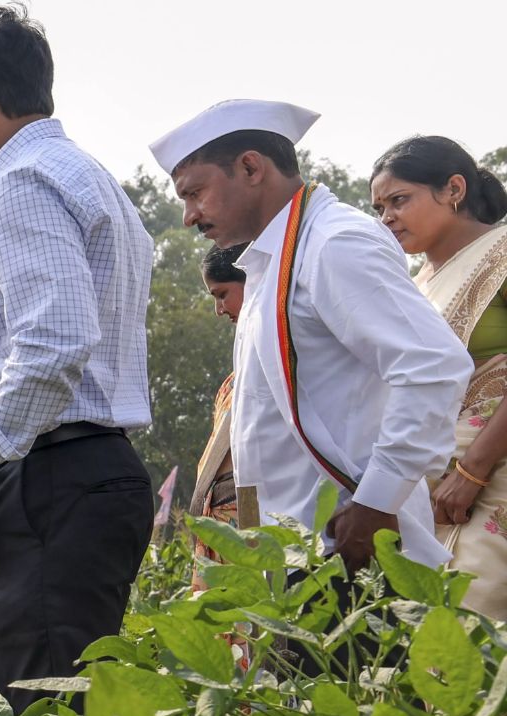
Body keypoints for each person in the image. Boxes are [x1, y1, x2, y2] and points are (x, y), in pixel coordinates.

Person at [0, 7, 155, 712]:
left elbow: (54, 345)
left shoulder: (22, 185)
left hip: (52, 479)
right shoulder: (89, 178)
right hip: (85, 473)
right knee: (67, 689)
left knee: (44, 699)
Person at [148, 99, 472, 578]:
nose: (188, 216)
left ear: (251, 167)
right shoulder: (272, 259)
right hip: (295, 552)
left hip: (348, 547)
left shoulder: (333, 242)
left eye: (195, 193)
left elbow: (432, 366)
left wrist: (377, 502)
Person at [371, 136, 507, 619]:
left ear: (453, 189)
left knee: (474, 638)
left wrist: (472, 471)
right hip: (432, 489)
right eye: (379, 207)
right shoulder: (413, 285)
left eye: (398, 200)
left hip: (492, 474)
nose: (386, 217)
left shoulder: (502, 250)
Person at [190, 242, 249, 591]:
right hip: (218, 526)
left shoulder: (283, 362)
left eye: (222, 293)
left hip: (248, 528)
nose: (218, 309)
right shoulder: (231, 383)